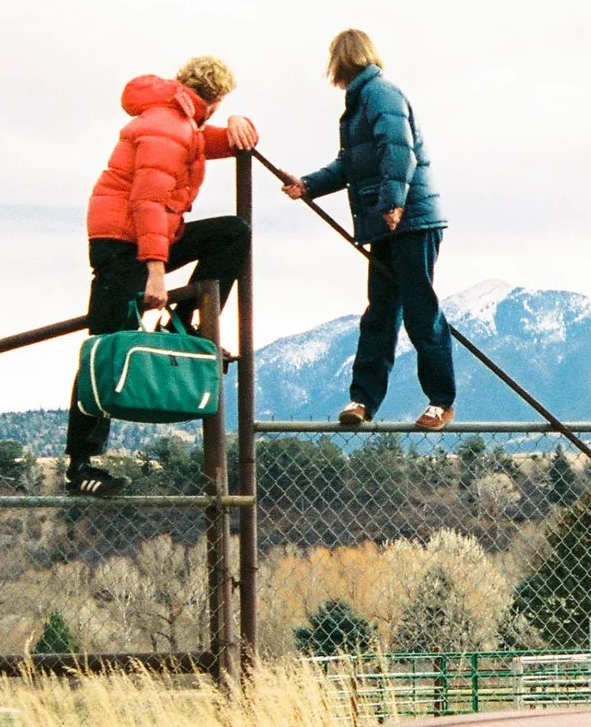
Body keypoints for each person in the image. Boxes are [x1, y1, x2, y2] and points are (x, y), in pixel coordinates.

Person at [68, 56, 261, 496]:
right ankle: (80, 465)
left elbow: (225, 142)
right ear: (211, 99)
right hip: (125, 243)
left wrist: (239, 121)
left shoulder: (180, 122)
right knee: (105, 346)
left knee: (232, 233)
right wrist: (156, 274)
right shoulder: (169, 128)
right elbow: (147, 203)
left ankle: (194, 320)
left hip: (146, 236)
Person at [283, 30, 455, 429]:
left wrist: (394, 202)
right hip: (386, 223)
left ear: (339, 62)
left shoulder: (380, 94)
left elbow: (399, 149)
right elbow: (350, 165)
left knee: (419, 309)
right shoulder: (361, 104)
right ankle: (362, 401)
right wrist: (308, 184)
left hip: (410, 220)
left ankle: (441, 402)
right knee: (379, 314)